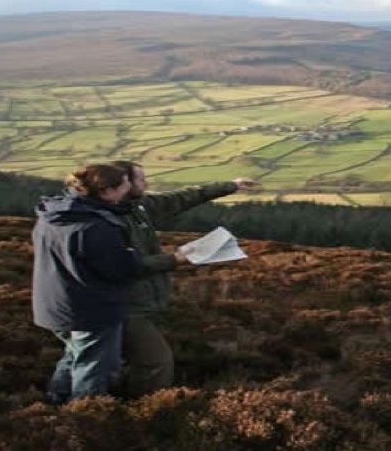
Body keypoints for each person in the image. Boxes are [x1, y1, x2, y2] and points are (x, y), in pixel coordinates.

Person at [31, 164, 186, 403]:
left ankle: (57, 403)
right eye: (125, 183)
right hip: (90, 310)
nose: (129, 188)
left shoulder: (56, 214)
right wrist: (173, 259)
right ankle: (86, 416)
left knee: (75, 355)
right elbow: (122, 269)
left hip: (55, 304)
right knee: (94, 367)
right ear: (108, 191)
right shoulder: (97, 226)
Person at [109, 160, 258, 397]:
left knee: (110, 361)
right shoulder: (108, 220)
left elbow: (180, 198)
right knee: (156, 361)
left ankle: (107, 405)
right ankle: (145, 412)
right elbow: (125, 266)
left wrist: (230, 185)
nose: (146, 183)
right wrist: (174, 260)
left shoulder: (138, 206)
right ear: (122, 184)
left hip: (137, 301)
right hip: (124, 305)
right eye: (140, 179)